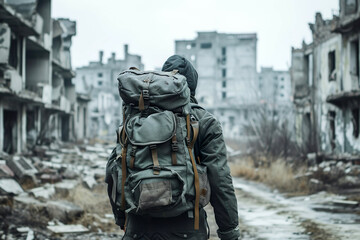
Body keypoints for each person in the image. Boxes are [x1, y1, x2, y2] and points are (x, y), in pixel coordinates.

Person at [121, 55, 240, 240]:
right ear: (192, 85)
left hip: (138, 227)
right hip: (187, 227)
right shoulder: (204, 121)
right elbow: (220, 180)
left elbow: (119, 169)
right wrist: (229, 231)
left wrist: (123, 219)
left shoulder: (137, 119)